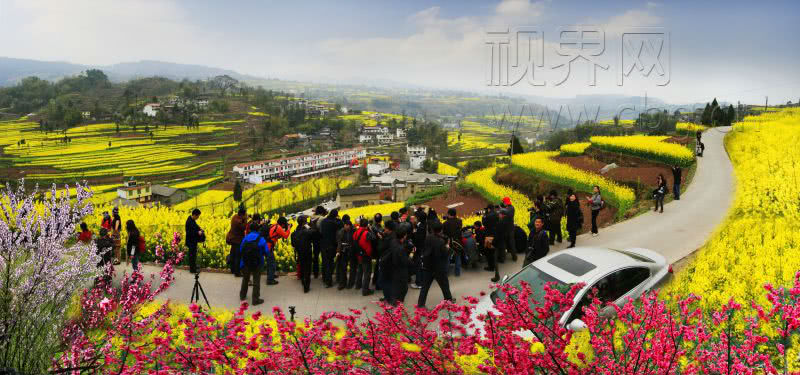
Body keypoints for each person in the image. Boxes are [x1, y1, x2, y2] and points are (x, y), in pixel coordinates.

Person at [416, 221, 454, 308]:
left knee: (425, 288)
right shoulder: (441, 241)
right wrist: (447, 246)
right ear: (441, 230)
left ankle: (420, 304)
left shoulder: (428, 237)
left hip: (427, 266)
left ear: (432, 230)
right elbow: (444, 254)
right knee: (444, 285)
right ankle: (448, 300)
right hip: (438, 268)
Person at [239, 222, 268, 305]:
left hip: (245, 262)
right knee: (256, 281)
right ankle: (255, 300)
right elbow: (266, 251)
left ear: (250, 229)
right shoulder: (261, 239)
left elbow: (241, 250)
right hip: (257, 263)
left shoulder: (245, 238)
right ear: (258, 229)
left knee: (245, 278)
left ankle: (242, 295)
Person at [386, 225, 413, 305]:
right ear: (404, 235)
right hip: (401, 270)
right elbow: (405, 261)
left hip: (393, 268)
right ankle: (397, 304)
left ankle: (395, 302)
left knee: (396, 287)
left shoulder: (393, 242)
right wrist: (411, 256)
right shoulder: (400, 249)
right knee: (403, 288)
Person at [319, 209, 343, 288]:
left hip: (323, 245)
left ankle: (325, 279)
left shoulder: (323, 221)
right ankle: (329, 282)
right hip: (330, 246)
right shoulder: (333, 222)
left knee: (325, 263)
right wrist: (338, 219)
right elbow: (341, 224)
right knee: (330, 263)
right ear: (335, 215)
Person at [265, 217, 291, 285]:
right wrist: (288, 228)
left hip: (267, 245)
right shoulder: (279, 227)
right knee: (272, 263)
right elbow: (286, 236)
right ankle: (270, 280)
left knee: (270, 262)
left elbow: (275, 235)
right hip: (269, 246)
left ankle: (271, 275)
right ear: (282, 224)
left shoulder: (274, 225)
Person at [353, 218, 375, 296]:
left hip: (359, 254)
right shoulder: (367, 233)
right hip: (366, 255)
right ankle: (365, 290)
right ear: (366, 225)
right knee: (367, 273)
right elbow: (374, 238)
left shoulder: (356, 232)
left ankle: (358, 285)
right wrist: (370, 229)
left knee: (360, 270)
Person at [291, 216, 313, 293]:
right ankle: (306, 286)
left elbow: (293, 244)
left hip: (300, 253)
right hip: (308, 252)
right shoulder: (307, 231)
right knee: (308, 269)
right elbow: (314, 236)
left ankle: (303, 283)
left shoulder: (294, 233)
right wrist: (310, 227)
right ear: (304, 223)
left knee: (302, 268)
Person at [335, 215, 355, 290]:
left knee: (352, 267)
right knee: (343, 268)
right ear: (344, 225)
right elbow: (339, 242)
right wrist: (338, 251)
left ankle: (351, 283)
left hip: (351, 251)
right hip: (343, 251)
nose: (347, 227)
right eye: (346, 226)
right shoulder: (341, 231)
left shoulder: (353, 230)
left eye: (348, 226)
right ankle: (342, 283)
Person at [227, 207, 248, 277]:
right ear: (242, 215)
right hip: (237, 240)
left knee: (233, 255)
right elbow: (244, 227)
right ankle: (237, 272)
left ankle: (232, 269)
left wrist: (243, 218)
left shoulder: (234, 216)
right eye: (245, 214)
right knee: (238, 256)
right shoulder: (238, 221)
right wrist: (246, 219)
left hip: (232, 239)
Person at [442, 208, 463, 276]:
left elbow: (444, 233)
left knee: (447, 258)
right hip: (458, 242)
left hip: (449, 242)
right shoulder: (460, 221)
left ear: (449, 214)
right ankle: (457, 273)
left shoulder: (445, 223)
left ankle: (446, 273)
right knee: (458, 257)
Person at [310, 206, 327, 279]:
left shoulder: (312, 218)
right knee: (324, 257)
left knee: (315, 257)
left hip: (314, 239)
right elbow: (323, 229)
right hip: (321, 239)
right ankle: (324, 274)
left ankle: (316, 273)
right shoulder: (322, 218)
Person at [185, 209, 204, 274]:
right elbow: (189, 232)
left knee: (193, 255)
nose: (198, 218)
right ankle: (192, 270)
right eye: (198, 216)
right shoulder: (189, 221)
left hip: (193, 241)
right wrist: (197, 232)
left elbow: (195, 226)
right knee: (192, 256)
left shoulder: (192, 220)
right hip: (191, 242)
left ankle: (194, 267)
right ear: (194, 215)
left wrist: (200, 229)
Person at [501, 197, 518, 262]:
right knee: (511, 243)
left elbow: (505, 215)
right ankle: (514, 257)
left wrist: (501, 210)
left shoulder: (509, 209)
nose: (503, 203)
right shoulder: (511, 208)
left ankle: (503, 258)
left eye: (503, 202)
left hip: (507, 229)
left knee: (506, 243)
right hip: (510, 228)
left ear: (505, 202)